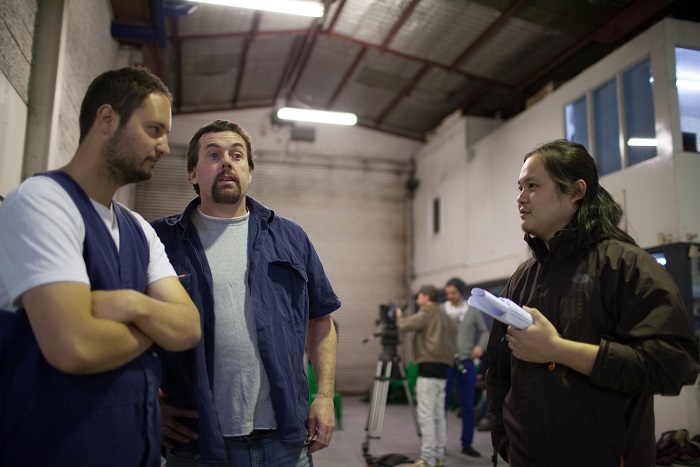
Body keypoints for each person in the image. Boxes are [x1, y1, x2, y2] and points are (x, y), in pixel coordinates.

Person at [0, 66, 202, 467]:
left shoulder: (138, 229)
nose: (164, 146)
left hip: (132, 450)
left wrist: (132, 305)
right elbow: (75, 346)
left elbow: (189, 328)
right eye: (154, 129)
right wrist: (154, 329)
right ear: (107, 119)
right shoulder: (42, 203)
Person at [486, 139, 700, 467]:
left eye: (532, 185)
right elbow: (500, 371)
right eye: (519, 187)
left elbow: (672, 365)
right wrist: (508, 440)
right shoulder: (522, 278)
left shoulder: (624, 266)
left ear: (576, 191)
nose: (520, 198)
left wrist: (557, 349)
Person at [151, 119, 341, 466]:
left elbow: (321, 321)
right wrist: (151, 403)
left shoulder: (289, 236)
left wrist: (325, 396)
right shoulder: (159, 240)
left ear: (249, 171)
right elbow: (134, 328)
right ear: (193, 172)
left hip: (285, 438)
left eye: (237, 155)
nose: (227, 161)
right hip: (198, 442)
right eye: (213, 154)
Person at [396, 285, 458, 467]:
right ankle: (438, 456)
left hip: (428, 369)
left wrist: (399, 316)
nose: (417, 300)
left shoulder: (428, 311)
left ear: (427, 297)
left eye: (419, 296)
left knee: (426, 415)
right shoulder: (445, 314)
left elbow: (405, 325)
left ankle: (427, 459)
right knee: (439, 415)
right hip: (443, 370)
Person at [442, 277, 488, 458]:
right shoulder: (441, 310)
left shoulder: (472, 309)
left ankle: (467, 444)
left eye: (453, 292)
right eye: (447, 293)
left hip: (466, 362)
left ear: (461, 292)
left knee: (468, 405)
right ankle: (440, 443)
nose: (450, 296)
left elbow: (485, 331)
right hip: (445, 363)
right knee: (442, 405)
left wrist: (479, 347)